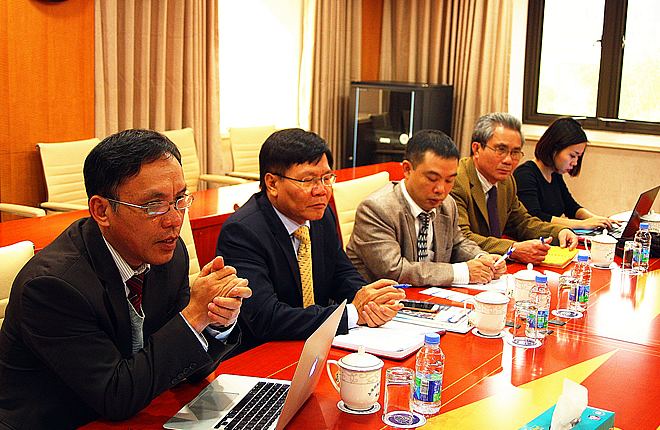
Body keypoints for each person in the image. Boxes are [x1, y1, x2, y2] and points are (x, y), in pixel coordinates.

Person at [0, 130, 252, 430]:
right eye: (154, 205)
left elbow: (188, 368)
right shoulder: (52, 287)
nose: (175, 220)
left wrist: (214, 320)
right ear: (102, 211)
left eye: (179, 200)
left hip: (137, 409)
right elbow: (114, 395)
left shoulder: (166, 256)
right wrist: (193, 316)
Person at [216, 128, 406, 356]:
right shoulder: (242, 232)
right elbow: (266, 318)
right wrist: (352, 314)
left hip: (314, 345)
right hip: (263, 354)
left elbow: (342, 274)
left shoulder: (320, 215)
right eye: (308, 180)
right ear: (272, 183)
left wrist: (371, 302)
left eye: (326, 178)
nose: (321, 191)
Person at [346, 130, 507, 286]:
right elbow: (394, 270)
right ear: (407, 169)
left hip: (431, 296)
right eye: (432, 179)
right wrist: (461, 272)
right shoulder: (376, 209)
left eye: (449, 181)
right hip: (382, 300)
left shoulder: (447, 204)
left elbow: (457, 244)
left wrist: (482, 259)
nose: (441, 189)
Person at [450, 113, 579, 265]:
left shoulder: (506, 182)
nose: (508, 160)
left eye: (515, 153)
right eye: (501, 150)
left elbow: (522, 222)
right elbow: (461, 238)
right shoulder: (456, 180)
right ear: (477, 149)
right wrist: (512, 249)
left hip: (496, 268)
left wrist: (559, 232)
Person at [513, 116, 619, 230]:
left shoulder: (554, 174)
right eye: (572, 156)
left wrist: (597, 219)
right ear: (553, 149)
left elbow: (571, 207)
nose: (575, 163)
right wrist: (582, 224)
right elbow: (535, 217)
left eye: (578, 157)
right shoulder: (525, 175)